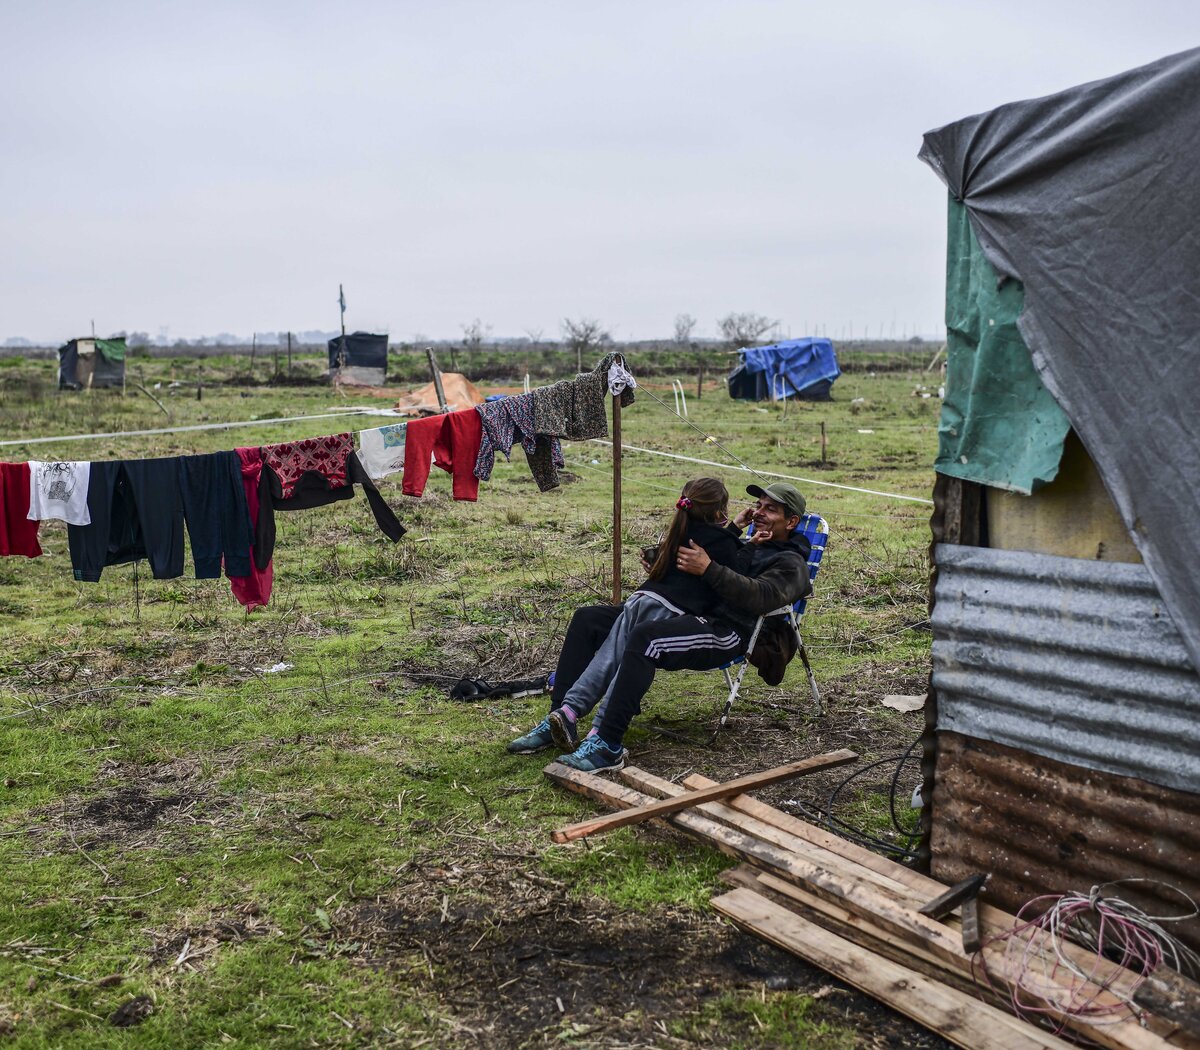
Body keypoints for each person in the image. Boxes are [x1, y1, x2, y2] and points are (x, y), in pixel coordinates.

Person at [509, 481, 813, 772]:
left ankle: (607, 744)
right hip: (689, 612)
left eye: (771, 509)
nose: (759, 512)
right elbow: (712, 568)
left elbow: (760, 597)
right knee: (589, 619)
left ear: (791, 522)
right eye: (758, 505)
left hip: (726, 632)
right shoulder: (747, 543)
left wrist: (708, 568)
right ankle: (561, 718)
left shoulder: (791, 563)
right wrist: (666, 565)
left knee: (647, 638)